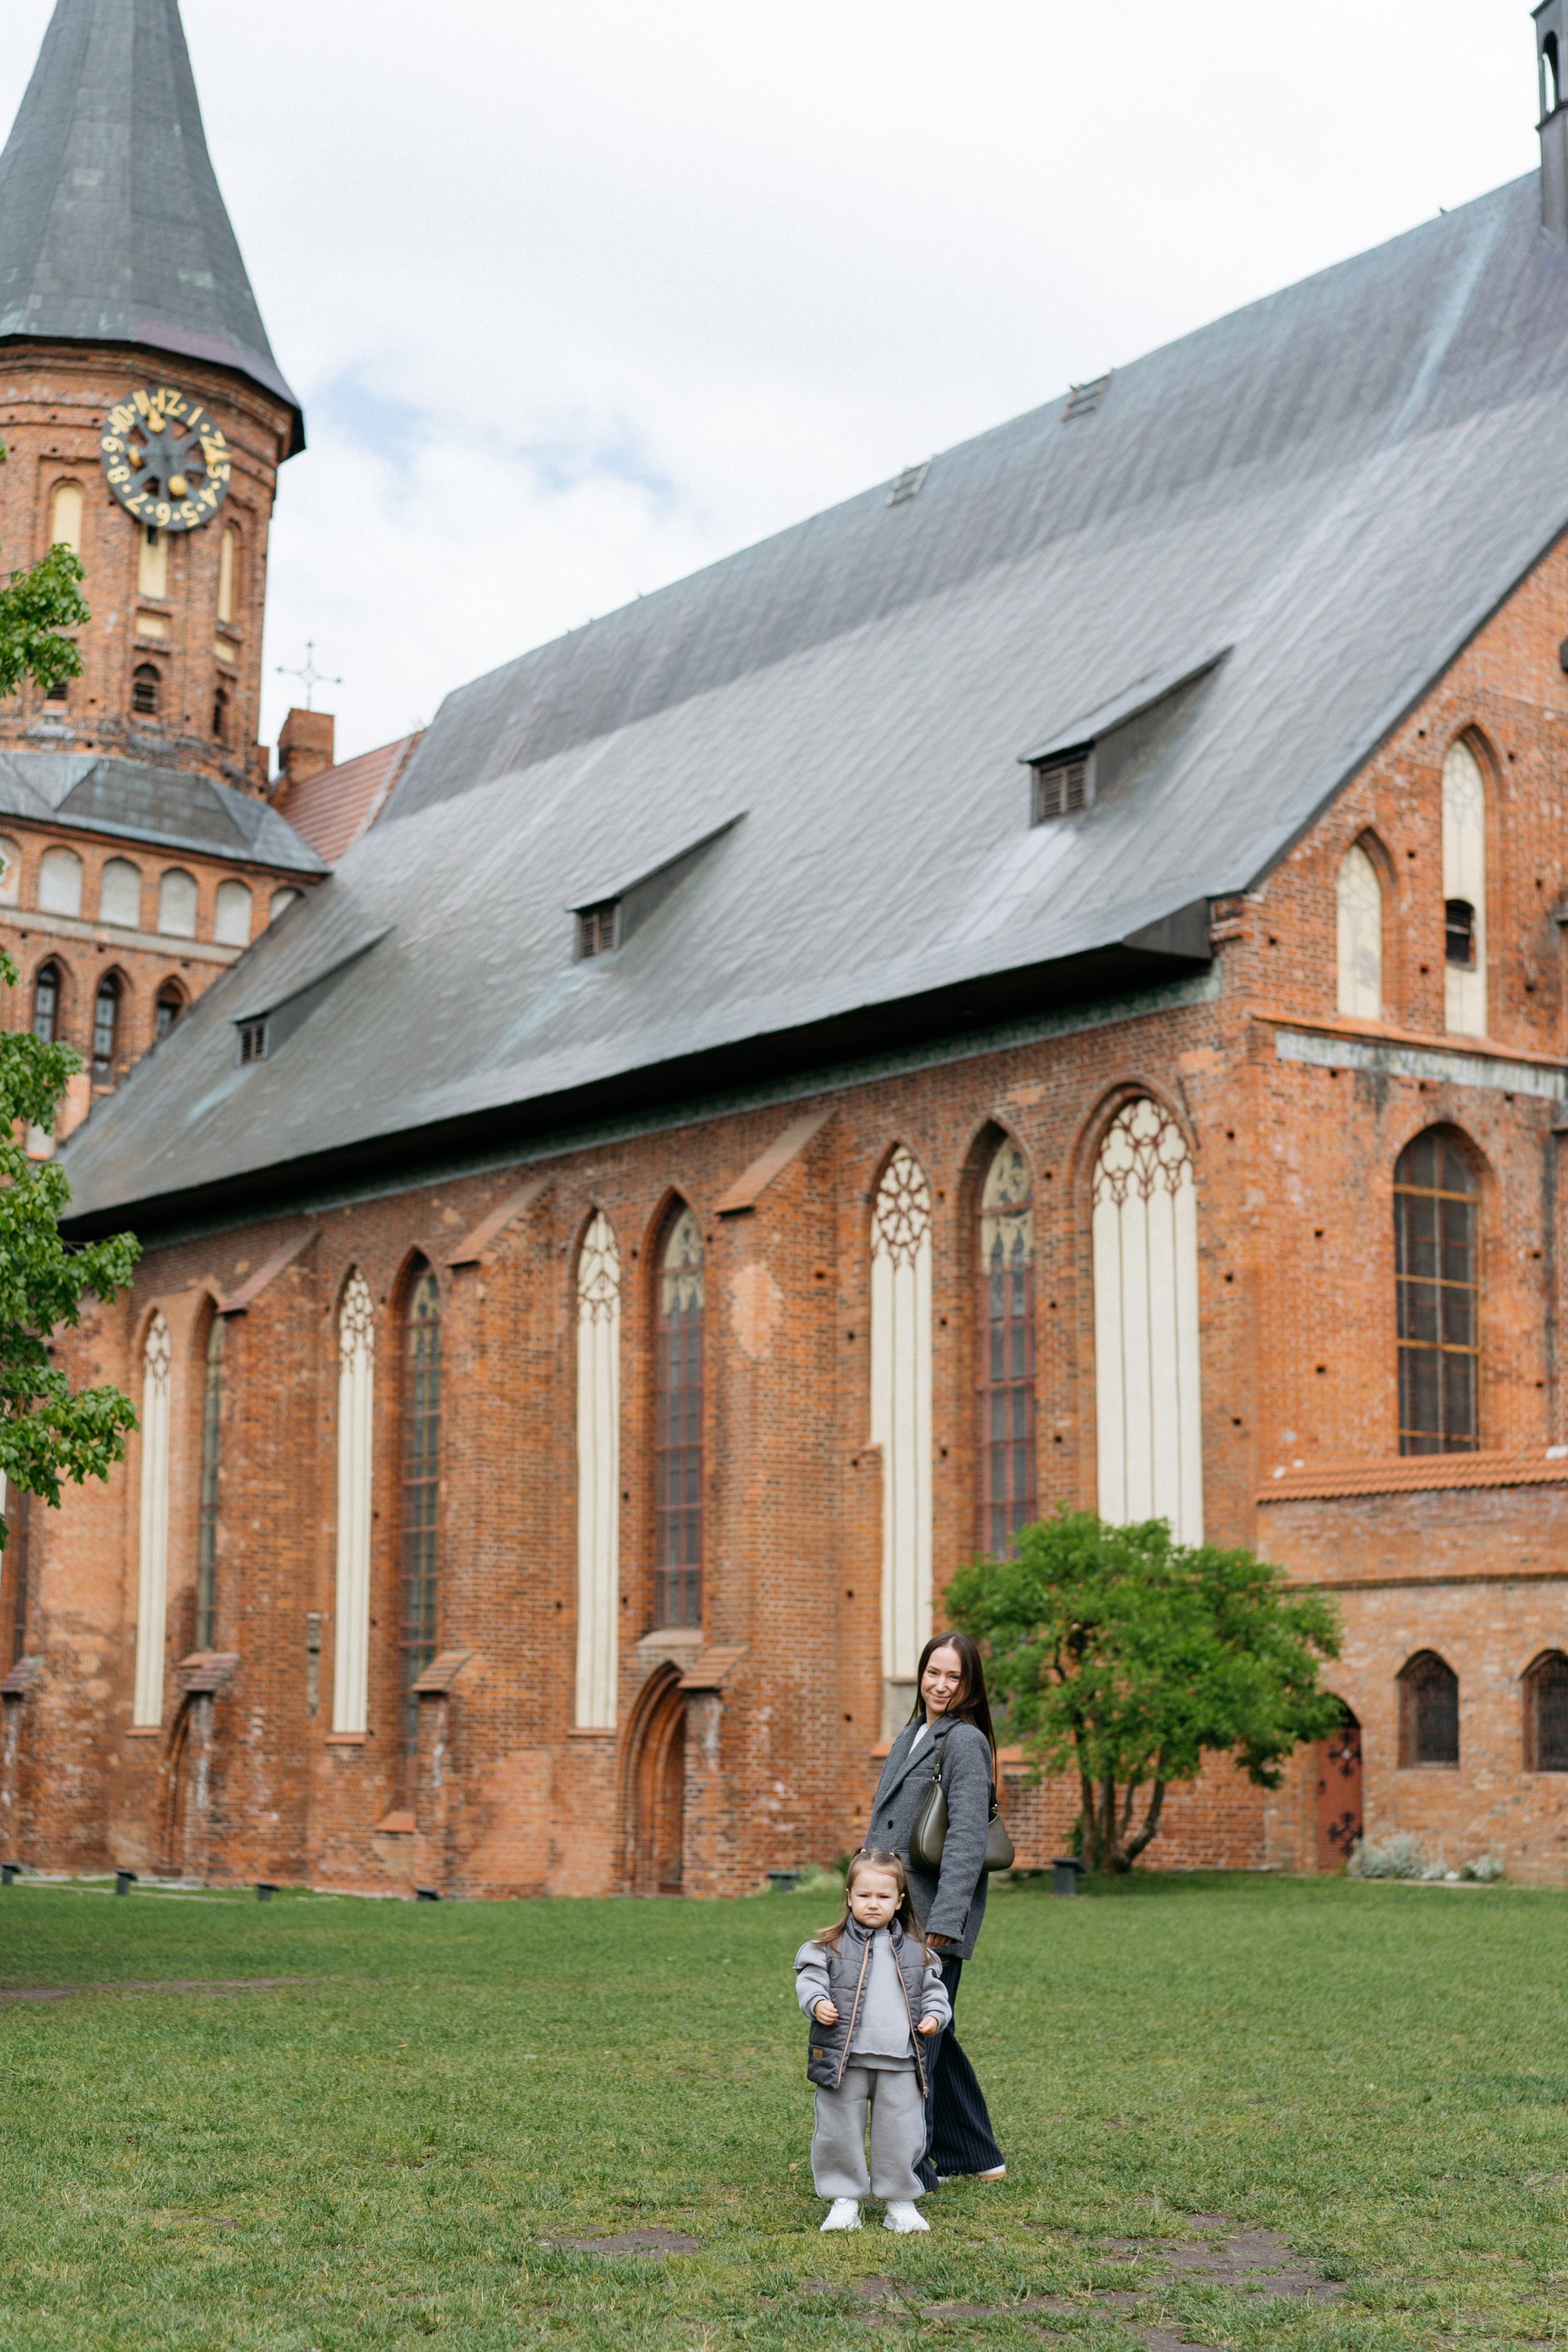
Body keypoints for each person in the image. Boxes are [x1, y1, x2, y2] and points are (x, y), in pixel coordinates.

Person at [868, 1629, 1006, 2187]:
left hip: (932, 1920)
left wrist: (946, 1927)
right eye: (934, 1672)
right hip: (896, 1912)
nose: (941, 1684)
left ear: (969, 1684)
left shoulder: (965, 1741)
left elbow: (969, 1839)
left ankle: (914, 2170)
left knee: (915, 2040)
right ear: (921, 1673)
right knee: (932, 2033)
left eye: (954, 1676)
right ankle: (974, 2156)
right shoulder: (912, 1733)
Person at [794, 1847, 951, 2234]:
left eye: (883, 1897)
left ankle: (900, 2202)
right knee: (838, 2129)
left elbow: (935, 1994)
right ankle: (844, 2200)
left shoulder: (919, 1953)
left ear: (899, 1901)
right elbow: (809, 1981)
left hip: (900, 2059)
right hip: (844, 2059)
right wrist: (817, 2003)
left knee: (902, 2131)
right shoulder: (827, 1948)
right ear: (849, 1897)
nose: (873, 1904)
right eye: (864, 1895)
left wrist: (935, 2017)